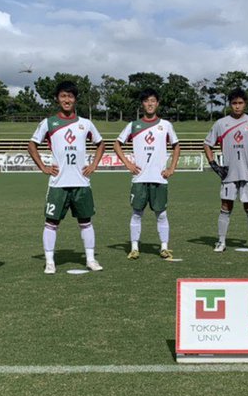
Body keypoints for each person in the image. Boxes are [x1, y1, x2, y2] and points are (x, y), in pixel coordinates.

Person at [28, 80, 106, 274]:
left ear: (75, 99)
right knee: (51, 222)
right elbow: (32, 145)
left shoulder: (85, 123)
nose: (67, 100)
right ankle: (50, 262)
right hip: (58, 184)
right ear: (57, 99)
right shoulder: (49, 123)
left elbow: (101, 143)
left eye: (70, 96)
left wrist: (94, 164)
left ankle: (90, 259)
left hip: (81, 183)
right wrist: (43, 167)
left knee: (86, 221)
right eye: (63, 96)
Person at [114, 88, 180, 260]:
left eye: (153, 100)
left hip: (160, 178)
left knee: (162, 214)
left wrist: (171, 168)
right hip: (140, 179)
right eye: (146, 101)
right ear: (142, 104)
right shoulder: (133, 125)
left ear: (157, 103)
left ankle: (164, 247)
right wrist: (128, 163)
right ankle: (134, 248)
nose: (150, 104)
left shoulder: (165, 125)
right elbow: (117, 144)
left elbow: (176, 146)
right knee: (137, 213)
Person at [203, 89, 248, 252]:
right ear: (229, 105)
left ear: (245, 104)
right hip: (229, 174)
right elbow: (207, 144)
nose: (237, 106)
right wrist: (214, 165)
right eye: (234, 103)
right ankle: (221, 241)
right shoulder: (221, 123)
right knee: (226, 206)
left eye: (240, 103)